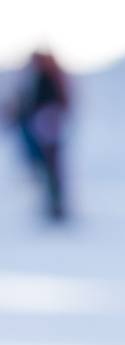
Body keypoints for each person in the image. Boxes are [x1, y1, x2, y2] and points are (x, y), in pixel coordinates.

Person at [11, 50, 71, 222]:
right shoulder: (40, 79)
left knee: (50, 167)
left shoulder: (47, 80)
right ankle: (53, 206)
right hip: (42, 128)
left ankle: (56, 207)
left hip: (47, 128)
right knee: (47, 168)